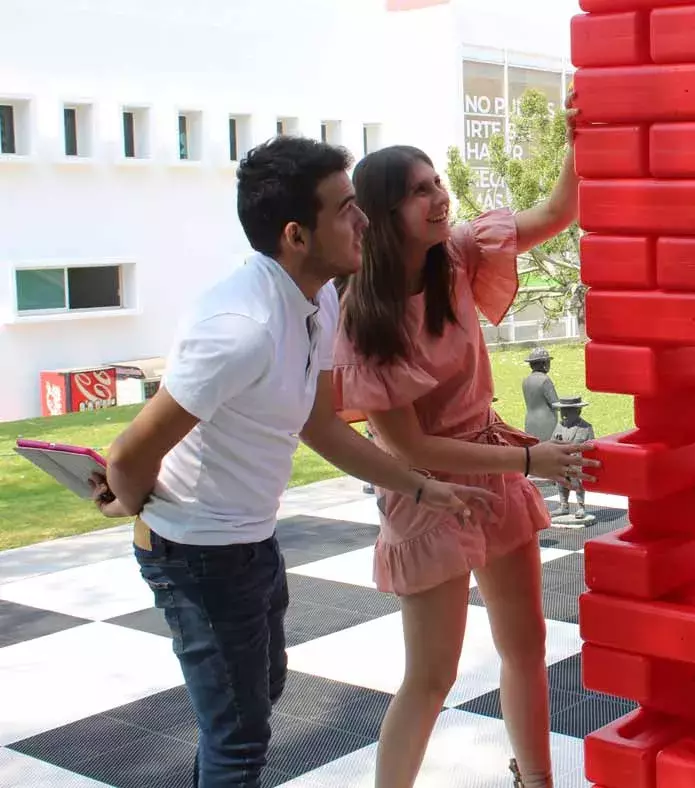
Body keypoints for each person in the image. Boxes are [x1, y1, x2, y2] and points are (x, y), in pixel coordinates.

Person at [90, 136, 497, 788]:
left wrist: (420, 488)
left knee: (252, 698)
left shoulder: (319, 299)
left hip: (250, 541)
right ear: (295, 235)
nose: (364, 220)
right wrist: (135, 502)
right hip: (194, 551)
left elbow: (320, 426)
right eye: (345, 210)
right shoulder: (240, 327)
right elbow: (132, 451)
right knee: (240, 738)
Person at [332, 114, 592, 787]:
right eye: (420, 190)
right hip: (424, 494)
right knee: (431, 676)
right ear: (386, 215)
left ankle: (536, 779)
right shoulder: (365, 318)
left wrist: (577, 139)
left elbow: (559, 211)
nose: (439, 196)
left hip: (493, 468)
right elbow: (411, 446)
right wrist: (529, 462)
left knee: (527, 643)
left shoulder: (460, 252)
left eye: (438, 181)